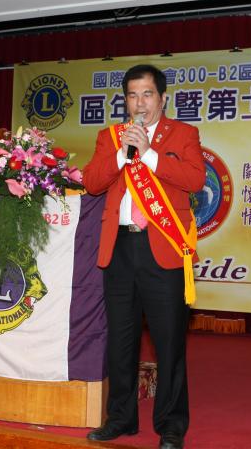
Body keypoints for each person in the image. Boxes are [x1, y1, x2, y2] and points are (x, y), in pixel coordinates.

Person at [83, 64, 205, 449]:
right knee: (120, 341)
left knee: (169, 342)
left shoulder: (183, 134)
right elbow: (91, 182)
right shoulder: (110, 137)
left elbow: (195, 179)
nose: (140, 103)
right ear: (125, 100)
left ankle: (171, 424)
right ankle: (120, 417)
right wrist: (122, 156)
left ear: (162, 98)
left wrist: (150, 155)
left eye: (147, 94)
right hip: (119, 248)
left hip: (162, 248)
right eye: (132, 95)